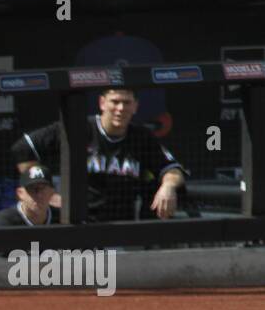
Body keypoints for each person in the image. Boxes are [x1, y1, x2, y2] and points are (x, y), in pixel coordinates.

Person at [12, 87, 186, 222]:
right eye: (115, 102)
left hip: (122, 226)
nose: (120, 108)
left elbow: (172, 169)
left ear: (135, 106)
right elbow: (24, 148)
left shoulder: (141, 137)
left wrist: (168, 187)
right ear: (102, 103)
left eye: (126, 102)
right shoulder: (79, 128)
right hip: (78, 223)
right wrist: (48, 193)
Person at [0, 163, 57, 227]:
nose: (39, 195)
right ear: (20, 193)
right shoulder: (5, 221)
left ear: (52, 192)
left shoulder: (61, 217)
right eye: (32, 190)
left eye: (43, 189)